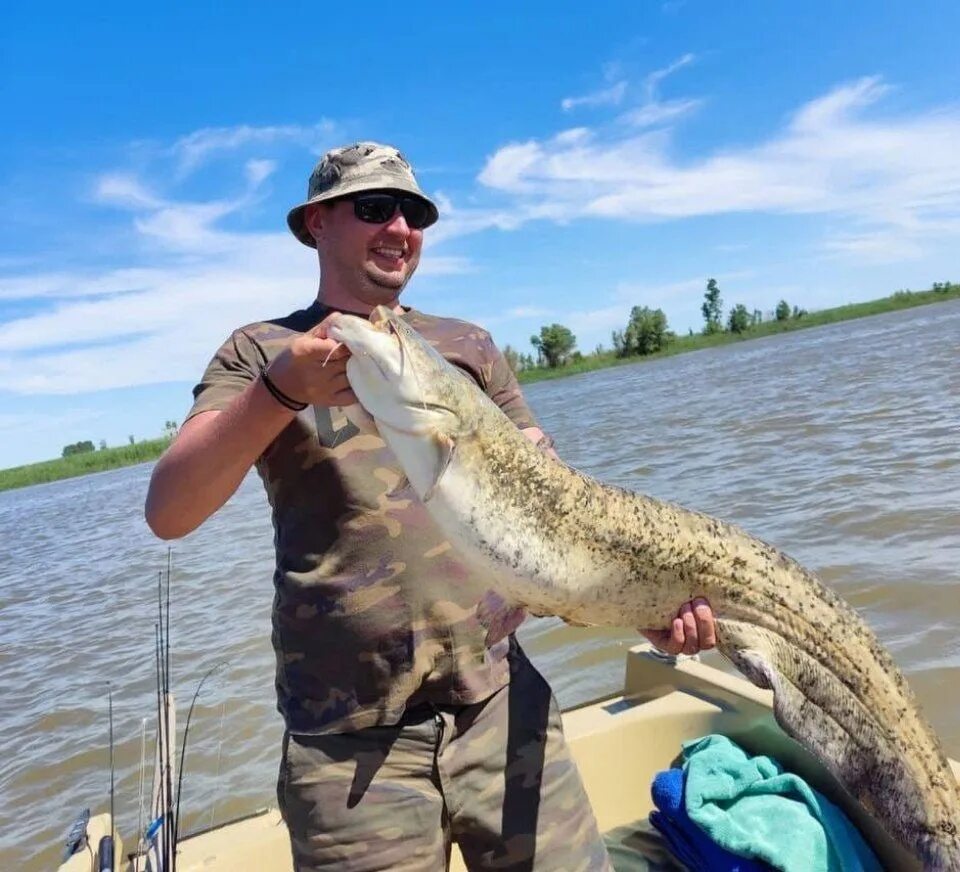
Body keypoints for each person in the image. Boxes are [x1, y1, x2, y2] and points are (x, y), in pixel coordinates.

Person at [145, 142, 717, 871]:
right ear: (316, 223)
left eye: (414, 213)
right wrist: (279, 393)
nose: (401, 230)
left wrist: (647, 609)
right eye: (375, 207)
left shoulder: (466, 345)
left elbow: (556, 520)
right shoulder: (261, 352)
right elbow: (170, 511)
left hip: (501, 708)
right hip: (349, 749)